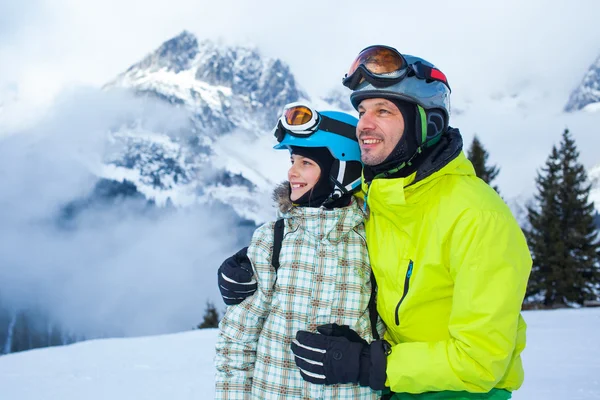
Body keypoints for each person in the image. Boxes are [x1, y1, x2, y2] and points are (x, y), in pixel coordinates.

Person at [218, 46, 532, 400]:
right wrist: (255, 259)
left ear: (427, 124)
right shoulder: (379, 199)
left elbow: (481, 360)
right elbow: (325, 221)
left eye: (383, 110)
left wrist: (370, 364)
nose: (364, 124)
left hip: (458, 393)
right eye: (363, 110)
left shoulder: (477, 217)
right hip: (394, 390)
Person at [214, 103, 383, 399]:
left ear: (342, 170)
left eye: (306, 162)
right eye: (293, 160)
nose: (291, 172)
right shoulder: (273, 239)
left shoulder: (375, 242)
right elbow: (237, 341)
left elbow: (389, 330)